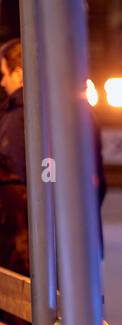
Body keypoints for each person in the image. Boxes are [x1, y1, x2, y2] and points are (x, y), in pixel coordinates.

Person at [0, 38, 29, 275]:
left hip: (18, 241)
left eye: (4, 74)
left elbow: (15, 178)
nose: (2, 81)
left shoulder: (17, 118)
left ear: (18, 75)